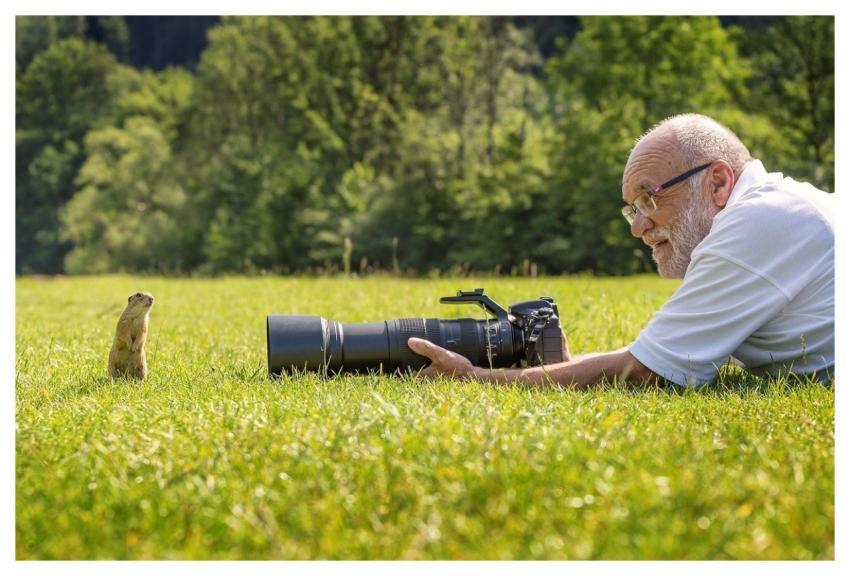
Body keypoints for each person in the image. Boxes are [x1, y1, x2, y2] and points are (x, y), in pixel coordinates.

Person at [407, 113, 834, 388]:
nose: (637, 227)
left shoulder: (758, 221)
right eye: (631, 208)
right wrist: (556, 370)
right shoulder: (779, 206)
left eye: (650, 198)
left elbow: (650, 370)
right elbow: (656, 352)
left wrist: (475, 377)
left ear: (718, 183)